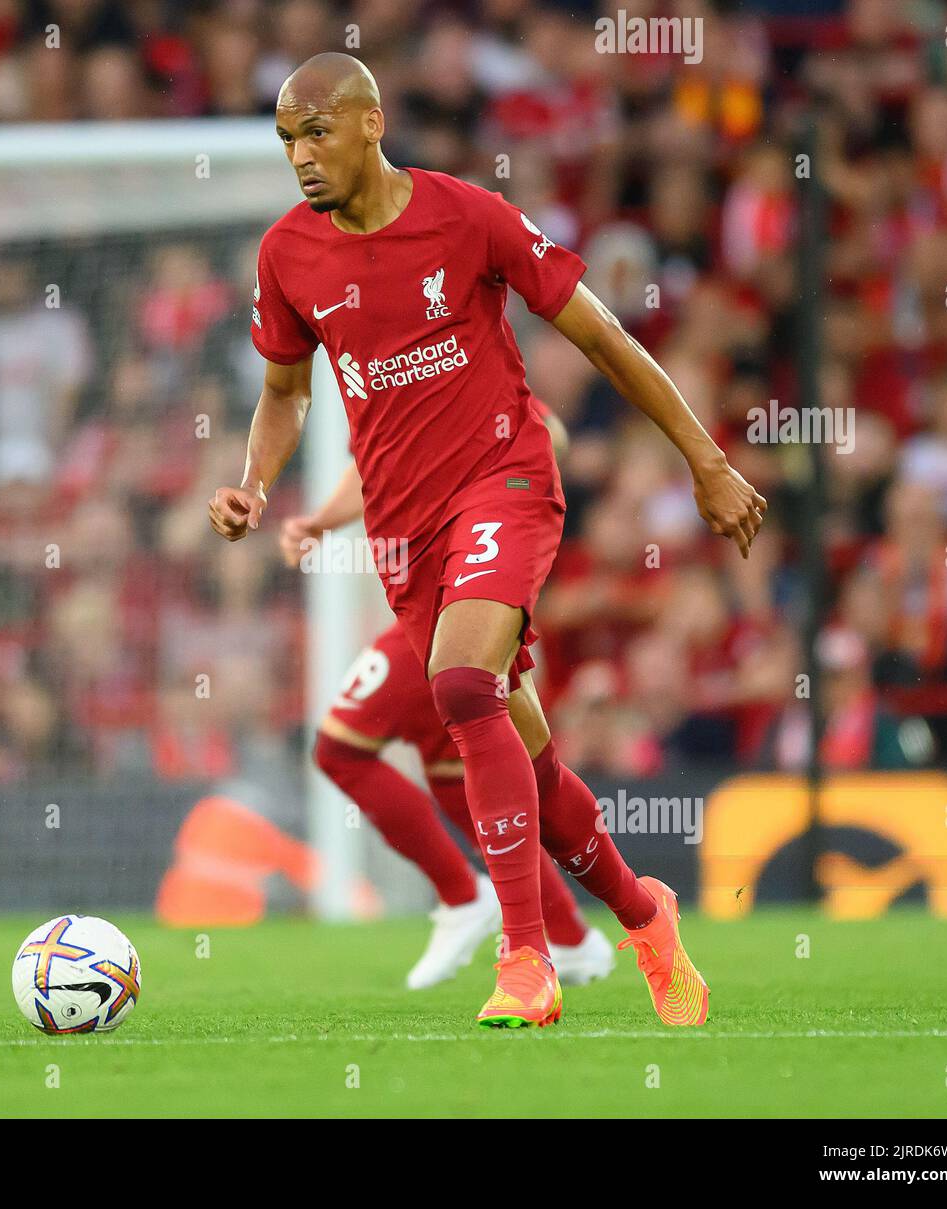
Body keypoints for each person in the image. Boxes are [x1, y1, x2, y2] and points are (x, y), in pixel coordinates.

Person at [210, 54, 765, 1027]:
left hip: (506, 480)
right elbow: (284, 394)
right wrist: (252, 485)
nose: (300, 157)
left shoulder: (468, 217)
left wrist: (705, 462)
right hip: (404, 528)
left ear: (370, 123)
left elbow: (603, 341)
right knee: (525, 754)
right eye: (286, 141)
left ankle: (524, 958)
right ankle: (642, 914)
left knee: (460, 686)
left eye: (317, 133)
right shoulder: (286, 255)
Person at [281, 406, 613, 992]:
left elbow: (550, 434)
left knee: (340, 749)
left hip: (452, 612)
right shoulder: (385, 376)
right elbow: (369, 470)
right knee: (456, 781)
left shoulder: (452, 370)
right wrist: (320, 523)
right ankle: (571, 938)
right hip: (428, 605)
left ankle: (464, 897)